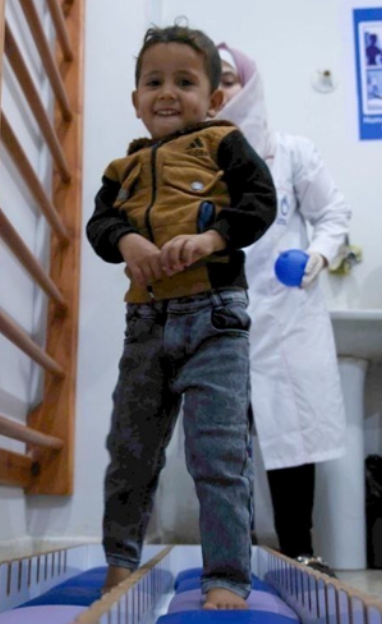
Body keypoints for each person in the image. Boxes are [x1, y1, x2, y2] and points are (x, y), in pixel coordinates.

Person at [86, 24, 277, 609]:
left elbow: (260, 202)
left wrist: (215, 238)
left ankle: (225, 576)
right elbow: (100, 224)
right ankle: (121, 564)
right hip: (145, 324)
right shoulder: (122, 169)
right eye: (153, 81)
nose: (166, 92)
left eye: (184, 81)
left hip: (213, 319)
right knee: (130, 451)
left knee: (218, 454)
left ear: (214, 98)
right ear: (136, 99)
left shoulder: (223, 142)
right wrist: (128, 244)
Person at [214, 42, 350, 577]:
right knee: (227, 438)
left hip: (286, 312)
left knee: (293, 432)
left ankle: (300, 550)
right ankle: (234, 552)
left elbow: (333, 213)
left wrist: (317, 256)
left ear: (248, 83)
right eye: (211, 78)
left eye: (227, 76)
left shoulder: (291, 152)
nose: (221, 88)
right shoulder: (190, 156)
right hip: (222, 312)